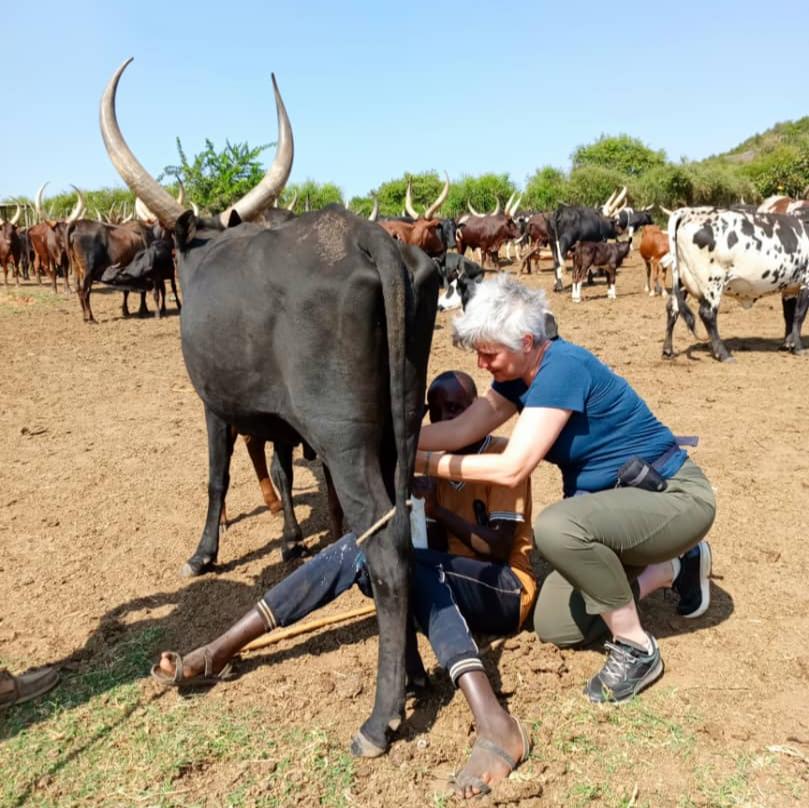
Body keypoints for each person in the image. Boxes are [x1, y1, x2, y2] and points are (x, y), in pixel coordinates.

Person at [152, 370, 534, 799]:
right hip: (453, 584)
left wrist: (434, 509)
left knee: (403, 562)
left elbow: (498, 550)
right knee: (368, 548)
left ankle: (494, 721)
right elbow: (422, 539)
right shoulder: (431, 461)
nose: (449, 418)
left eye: (458, 410)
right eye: (439, 410)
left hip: (506, 590)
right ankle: (223, 648)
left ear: (478, 414)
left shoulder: (500, 455)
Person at [416, 274, 715, 708]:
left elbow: (512, 467)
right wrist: (397, 442)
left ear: (524, 341)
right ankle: (669, 568)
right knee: (555, 624)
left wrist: (424, 464)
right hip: (615, 510)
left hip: (673, 497)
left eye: (488, 353)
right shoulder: (516, 379)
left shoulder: (563, 368)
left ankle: (637, 648)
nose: (481, 364)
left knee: (556, 527)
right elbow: (461, 428)